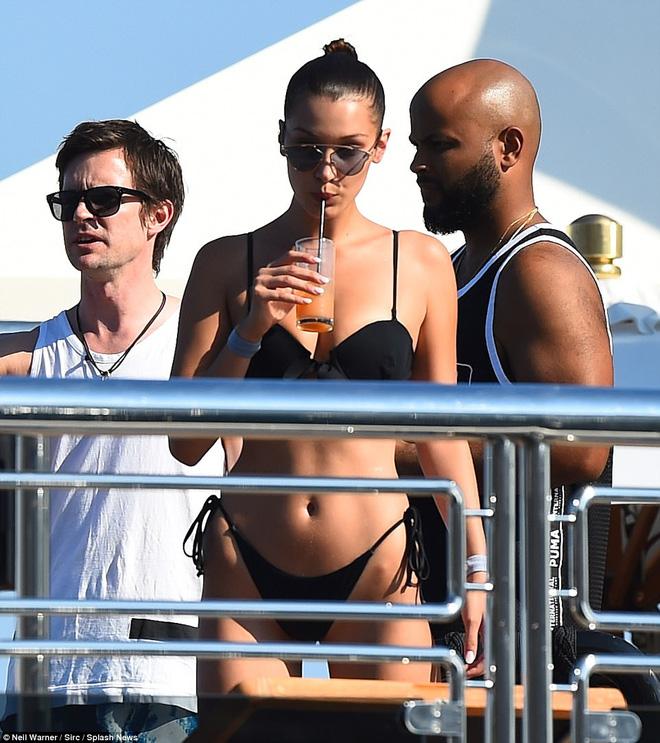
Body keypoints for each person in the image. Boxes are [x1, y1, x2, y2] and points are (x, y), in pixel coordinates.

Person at [170, 39, 487, 704]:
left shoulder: (420, 262)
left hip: (378, 560)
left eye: (348, 151)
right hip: (248, 559)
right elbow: (186, 440)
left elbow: (442, 433)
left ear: (381, 146)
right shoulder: (226, 262)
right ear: (280, 140)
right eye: (306, 150)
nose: (326, 172)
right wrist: (249, 331)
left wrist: (477, 564)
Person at [0, 119, 224, 738]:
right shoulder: (25, 359)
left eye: (102, 199)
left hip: (168, 683)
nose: (81, 214)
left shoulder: (207, 356)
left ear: (158, 214)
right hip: (42, 684)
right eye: (68, 200)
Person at [404, 59, 613, 677]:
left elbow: (584, 449)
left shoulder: (539, 271)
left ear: (508, 148)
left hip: (529, 633)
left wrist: (407, 449)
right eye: (416, 145)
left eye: (440, 145)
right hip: (462, 614)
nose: (417, 165)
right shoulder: (456, 267)